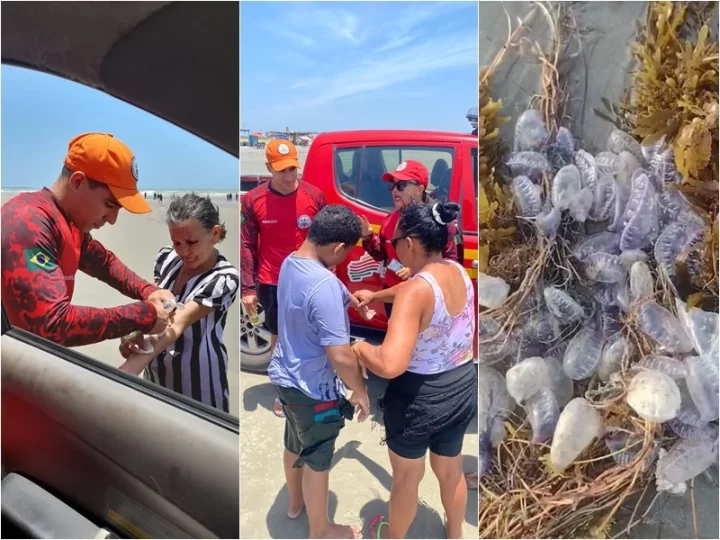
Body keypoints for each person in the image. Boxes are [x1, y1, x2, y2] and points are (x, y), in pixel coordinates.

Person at [352, 201, 477, 540]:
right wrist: (378, 295)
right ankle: (456, 534)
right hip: (463, 386)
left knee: (407, 479)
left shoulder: (414, 291)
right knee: (450, 470)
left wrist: (359, 349)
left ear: (409, 243)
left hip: (420, 398)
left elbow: (391, 365)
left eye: (393, 243)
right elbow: (415, 292)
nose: (393, 248)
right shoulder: (458, 270)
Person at [0, 132, 174, 346]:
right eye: (109, 205)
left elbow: (104, 263)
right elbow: (51, 325)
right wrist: (144, 315)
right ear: (78, 181)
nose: (112, 220)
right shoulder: (28, 222)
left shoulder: (68, 223)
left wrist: (150, 291)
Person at [268, 205, 373, 540]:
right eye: (346, 254)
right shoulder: (324, 284)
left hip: (286, 379)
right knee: (318, 458)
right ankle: (322, 530)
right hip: (314, 390)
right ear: (338, 248)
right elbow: (341, 356)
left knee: (294, 442)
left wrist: (351, 300)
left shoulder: (291, 262)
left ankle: (295, 504)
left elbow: (317, 293)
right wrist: (360, 390)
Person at [118, 193, 239, 413]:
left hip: (199, 388)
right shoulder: (166, 258)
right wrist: (134, 334)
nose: (183, 251)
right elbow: (155, 308)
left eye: (192, 242)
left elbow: (177, 322)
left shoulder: (224, 278)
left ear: (214, 234)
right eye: (177, 242)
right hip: (155, 378)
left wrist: (128, 369)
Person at [241, 138, 326, 418]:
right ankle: (284, 392)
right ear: (268, 168)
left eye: (293, 169)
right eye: (282, 171)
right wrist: (248, 288)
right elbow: (246, 245)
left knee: (313, 336)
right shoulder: (253, 200)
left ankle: (313, 386)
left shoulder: (314, 196)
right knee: (281, 339)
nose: (289, 176)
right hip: (273, 280)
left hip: (310, 280)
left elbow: (325, 238)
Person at [359, 160, 461, 318]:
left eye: (401, 185)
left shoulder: (439, 222)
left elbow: (451, 263)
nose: (394, 191)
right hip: (394, 297)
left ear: (420, 189)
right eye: (392, 185)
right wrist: (368, 238)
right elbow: (382, 255)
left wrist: (416, 269)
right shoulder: (390, 219)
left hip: (426, 298)